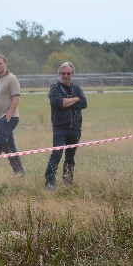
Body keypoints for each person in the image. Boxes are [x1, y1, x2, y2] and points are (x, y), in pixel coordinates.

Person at [44, 61, 87, 190]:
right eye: (63, 73)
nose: (65, 76)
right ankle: (50, 182)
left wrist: (66, 102)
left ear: (72, 74)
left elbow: (84, 103)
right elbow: (58, 103)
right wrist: (75, 99)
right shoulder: (55, 88)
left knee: (70, 157)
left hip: (75, 128)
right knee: (56, 154)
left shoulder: (77, 88)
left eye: (68, 73)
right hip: (60, 128)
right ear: (59, 74)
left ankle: (68, 180)